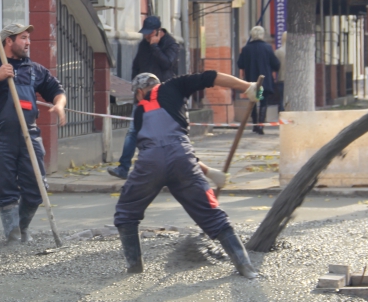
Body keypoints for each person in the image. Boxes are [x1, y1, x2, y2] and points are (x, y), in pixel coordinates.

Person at [113, 71, 261, 278]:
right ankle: (246, 267)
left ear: (139, 93)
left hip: (149, 164)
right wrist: (246, 86)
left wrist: (208, 171)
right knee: (212, 215)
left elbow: (158, 150)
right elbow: (211, 77)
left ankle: (134, 267)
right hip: (183, 160)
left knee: (126, 212)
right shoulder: (175, 86)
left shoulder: (139, 112)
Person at [0, 24, 66, 243]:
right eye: (24, 38)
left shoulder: (34, 69)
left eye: (28, 38)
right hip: (0, 135)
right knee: (4, 187)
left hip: (30, 134)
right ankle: (12, 235)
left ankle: (22, 227)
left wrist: (59, 105)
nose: (28, 43)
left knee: (37, 187)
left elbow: (57, 90)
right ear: (9, 41)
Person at [108, 16, 179, 179]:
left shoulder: (171, 44)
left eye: (149, 34)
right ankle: (123, 167)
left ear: (158, 32)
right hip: (142, 95)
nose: (146, 37)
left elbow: (167, 64)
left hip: (162, 95)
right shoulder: (143, 45)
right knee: (133, 131)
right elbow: (136, 66)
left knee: (163, 132)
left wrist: (155, 47)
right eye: (145, 34)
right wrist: (137, 87)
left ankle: (165, 168)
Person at [237, 26, 280, 134]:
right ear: (262, 35)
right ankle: (261, 125)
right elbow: (276, 63)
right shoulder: (267, 47)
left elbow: (240, 64)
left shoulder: (246, 49)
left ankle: (255, 124)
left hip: (251, 80)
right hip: (264, 80)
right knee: (264, 102)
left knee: (253, 101)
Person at [274, 32, 287, 113]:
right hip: (293, 81)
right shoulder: (295, 53)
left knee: (281, 101)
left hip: (281, 79)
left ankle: (282, 119)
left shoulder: (278, 52)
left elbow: (275, 65)